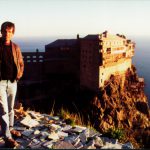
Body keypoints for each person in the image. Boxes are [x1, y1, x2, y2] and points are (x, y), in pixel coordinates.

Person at [0, 21, 24, 148]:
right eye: (4, 31)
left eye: (9, 31)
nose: (6, 33)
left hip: (12, 82)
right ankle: (7, 137)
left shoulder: (16, 47)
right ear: (1, 31)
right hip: (0, 83)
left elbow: (21, 63)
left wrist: (18, 76)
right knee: (3, 109)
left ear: (12, 33)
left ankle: (10, 128)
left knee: (10, 108)